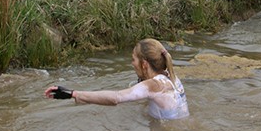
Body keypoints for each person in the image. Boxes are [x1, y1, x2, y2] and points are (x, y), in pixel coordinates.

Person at [45, 38, 189, 120]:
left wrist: (74, 94)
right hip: (179, 128)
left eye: (133, 59)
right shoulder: (170, 75)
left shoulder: (153, 85)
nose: (132, 63)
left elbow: (116, 98)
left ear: (144, 64)